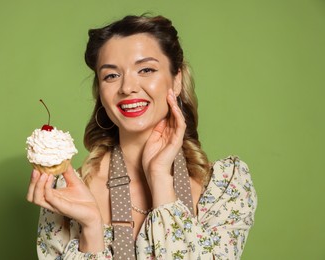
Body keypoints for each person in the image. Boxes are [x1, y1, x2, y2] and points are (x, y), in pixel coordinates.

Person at [27, 14, 257, 259]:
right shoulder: (67, 192)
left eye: (146, 69)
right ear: (100, 93)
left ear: (176, 80)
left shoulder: (225, 186)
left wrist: (159, 178)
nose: (127, 87)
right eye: (111, 75)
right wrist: (91, 229)